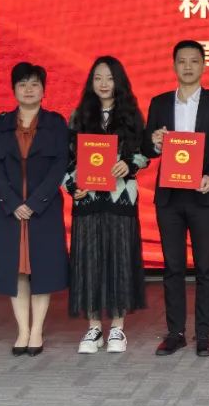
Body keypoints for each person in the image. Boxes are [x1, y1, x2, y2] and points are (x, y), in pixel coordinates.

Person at [143, 40, 209, 357]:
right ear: (174, 65)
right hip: (170, 198)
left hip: (204, 195)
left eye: (194, 61)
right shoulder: (160, 103)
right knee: (173, 267)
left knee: (206, 267)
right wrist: (154, 143)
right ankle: (175, 332)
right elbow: (146, 150)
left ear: (203, 65)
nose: (188, 66)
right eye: (182, 61)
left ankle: (203, 334)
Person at [64, 56, 149, 354]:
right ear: (91, 82)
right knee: (88, 260)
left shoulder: (132, 115)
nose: (103, 83)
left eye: (110, 78)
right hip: (88, 199)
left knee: (119, 259)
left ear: (119, 82)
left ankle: (117, 328)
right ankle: (93, 328)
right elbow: (66, 158)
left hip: (120, 198)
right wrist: (72, 186)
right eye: (98, 78)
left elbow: (145, 153)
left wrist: (130, 164)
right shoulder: (79, 116)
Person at [0, 62, 69, 356]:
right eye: (22, 84)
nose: (29, 90)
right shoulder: (0, 124)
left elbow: (60, 164)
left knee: (41, 269)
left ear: (44, 90)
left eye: (35, 84)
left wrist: (34, 204)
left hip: (43, 209)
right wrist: (12, 203)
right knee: (17, 271)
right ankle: (22, 330)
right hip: (10, 211)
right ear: (14, 90)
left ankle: (37, 331)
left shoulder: (56, 123)